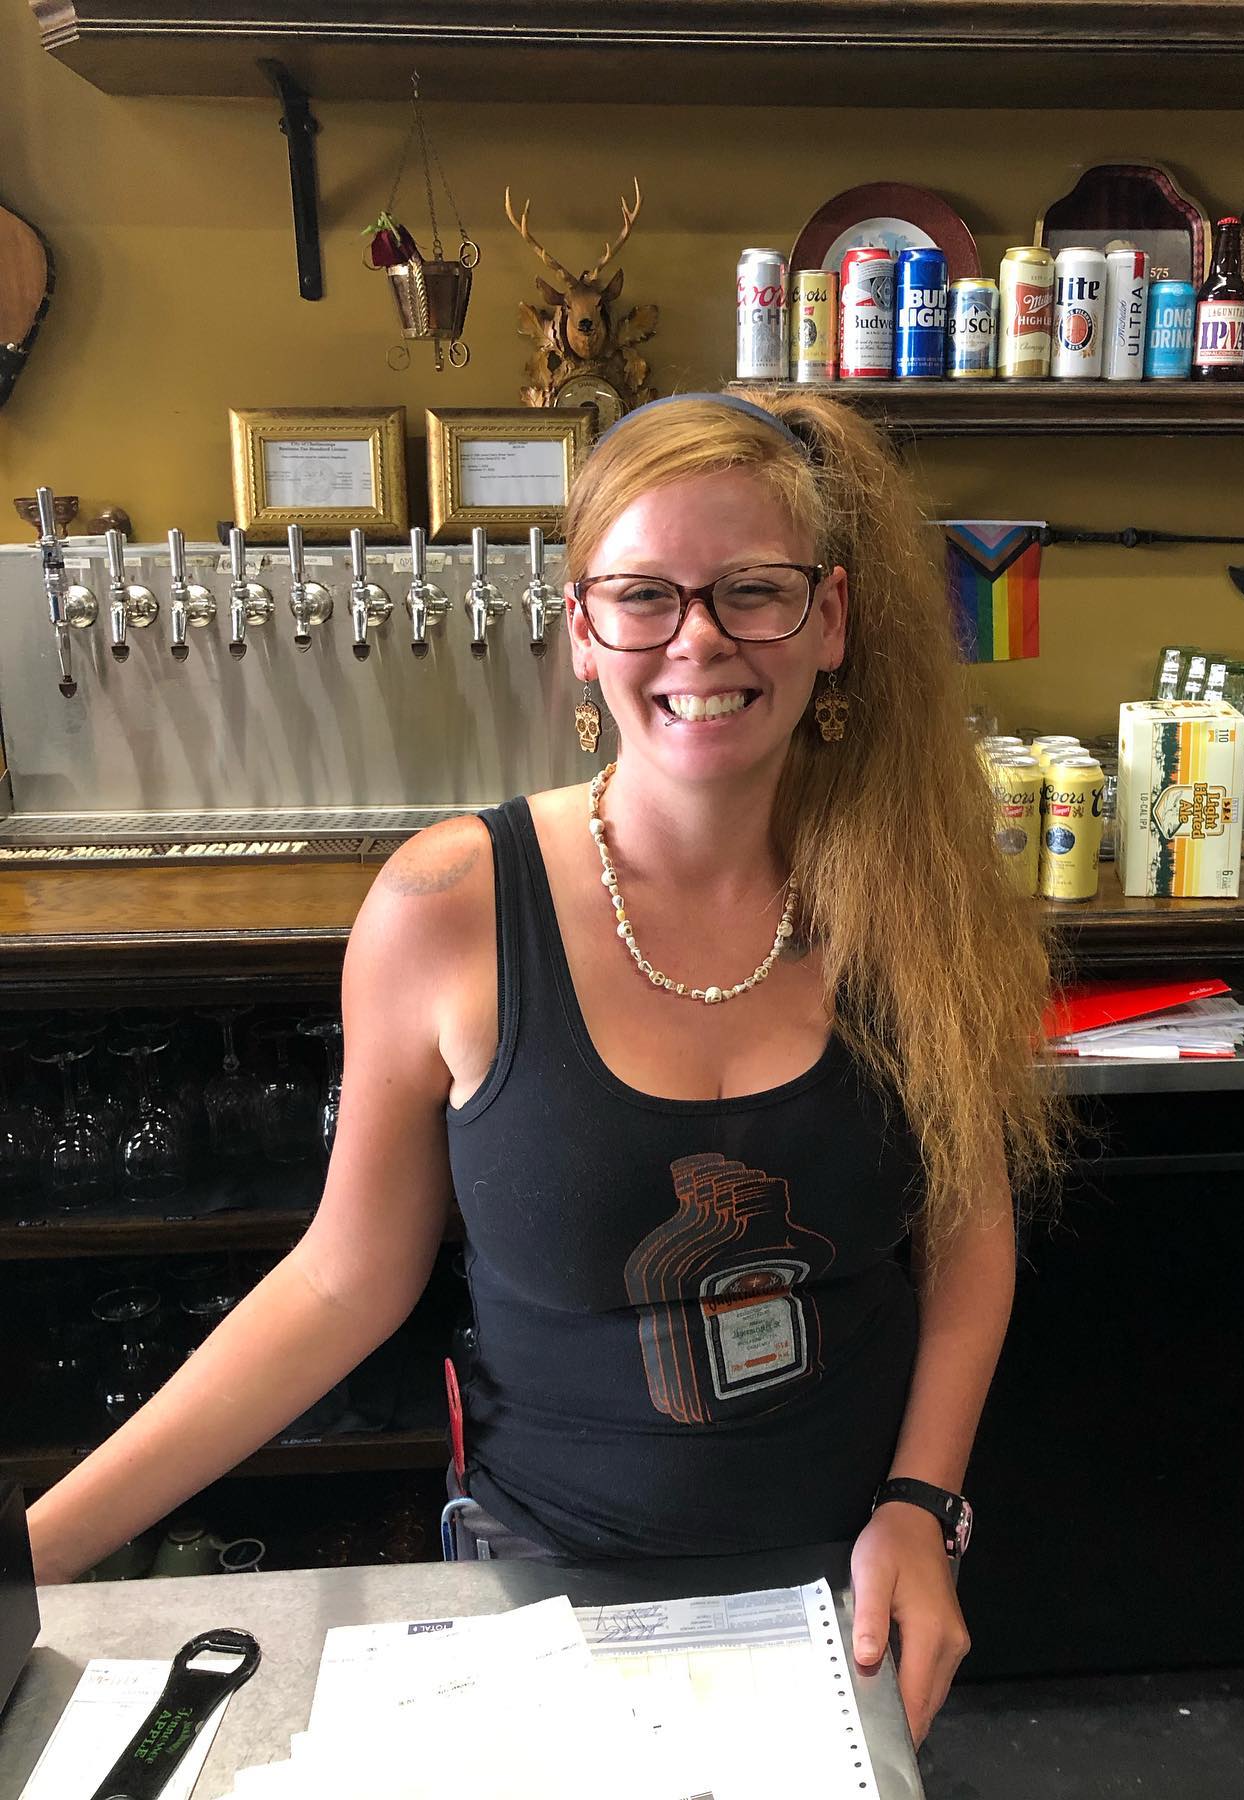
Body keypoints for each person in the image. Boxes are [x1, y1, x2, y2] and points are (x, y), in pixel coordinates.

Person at [27, 390, 1055, 1745]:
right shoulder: (447, 906)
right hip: (540, 1589)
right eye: (644, 596)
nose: (699, 638)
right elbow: (341, 1283)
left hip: (850, 1577)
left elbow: (971, 1234)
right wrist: (36, 1551)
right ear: (581, 630)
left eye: (754, 590)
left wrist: (923, 1507)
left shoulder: (921, 899)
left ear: (831, 620)